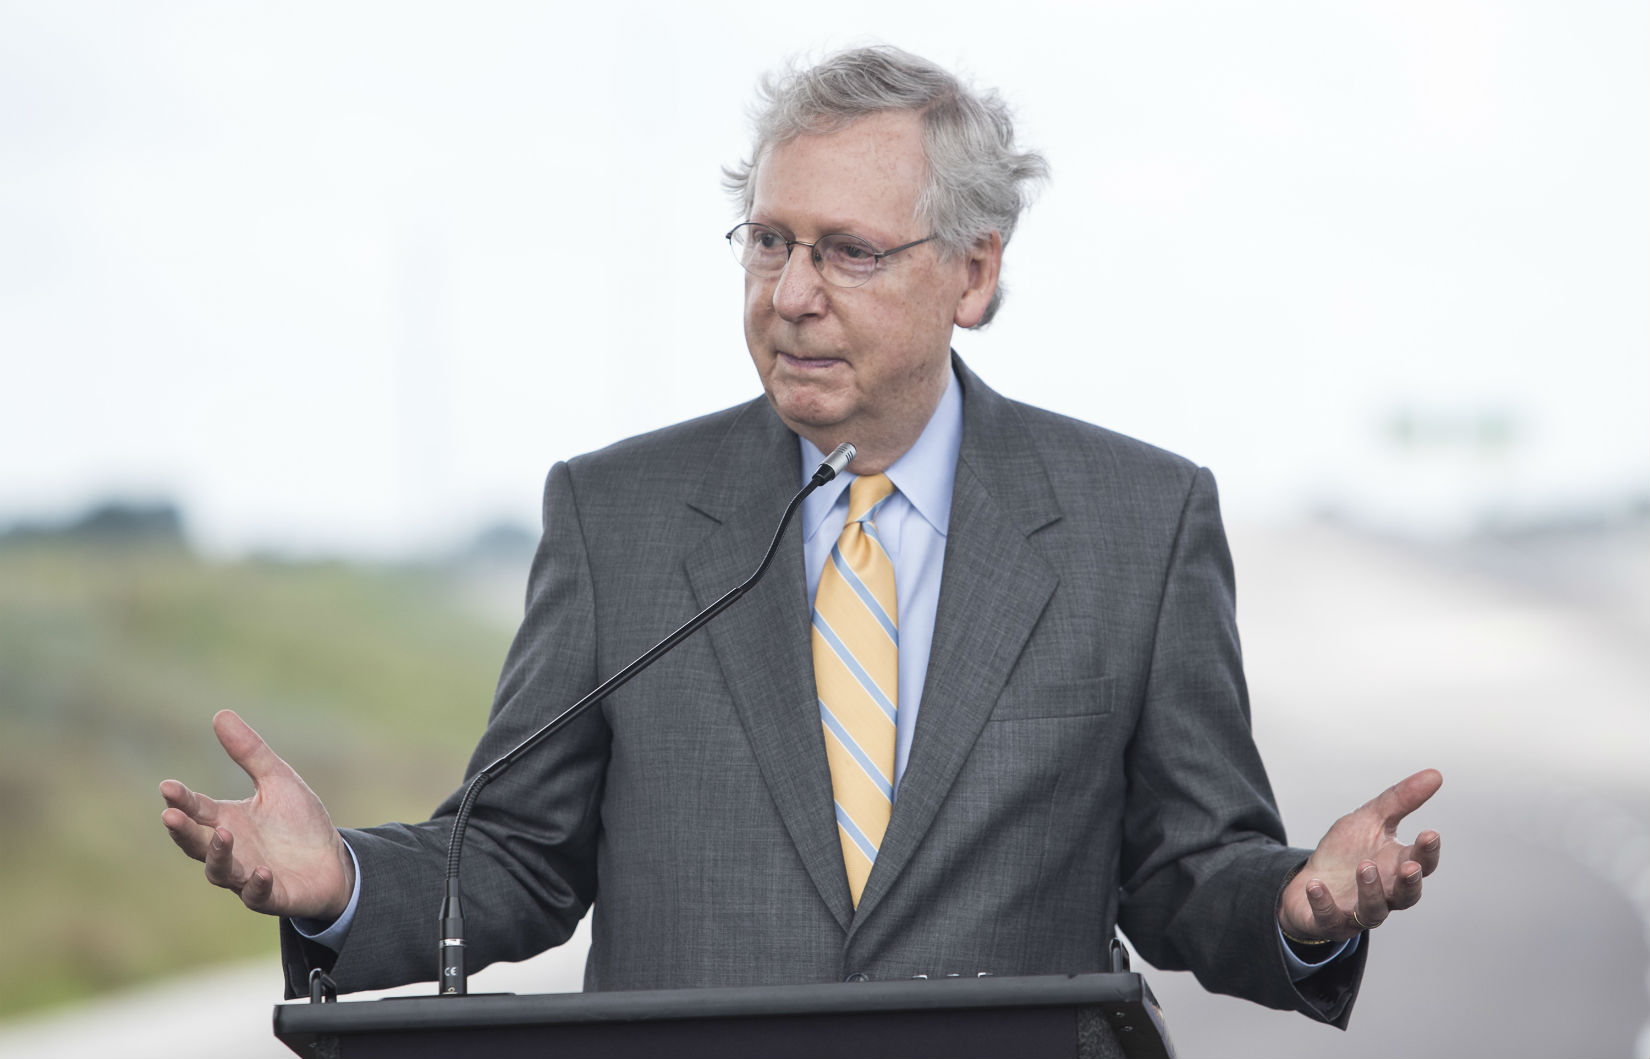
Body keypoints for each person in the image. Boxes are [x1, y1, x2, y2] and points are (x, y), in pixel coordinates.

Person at [160, 45, 1441, 1028]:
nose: (790, 295)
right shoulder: (617, 515)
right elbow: (517, 858)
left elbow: (1184, 871)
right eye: (770, 241)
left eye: (848, 253)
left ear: (974, 272)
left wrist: (1300, 906)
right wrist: (342, 883)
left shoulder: (1140, 523)